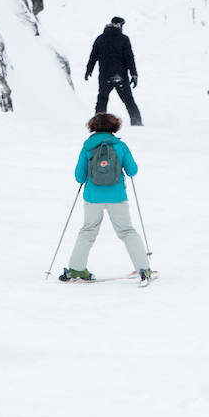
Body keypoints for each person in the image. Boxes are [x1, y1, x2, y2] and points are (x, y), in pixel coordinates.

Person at [59, 113, 152, 284]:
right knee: (126, 231)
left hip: (92, 197)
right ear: (114, 127)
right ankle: (143, 268)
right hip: (117, 196)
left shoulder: (87, 147)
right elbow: (132, 171)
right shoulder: (120, 146)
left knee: (88, 230)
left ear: (93, 127)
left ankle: (76, 268)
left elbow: (79, 177)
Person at [84, 16, 142, 126]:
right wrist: (134, 74)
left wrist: (89, 69)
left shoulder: (100, 39)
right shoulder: (124, 39)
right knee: (128, 100)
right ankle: (136, 121)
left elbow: (93, 56)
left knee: (102, 99)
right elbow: (129, 57)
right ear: (119, 25)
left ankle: (98, 124)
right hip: (120, 75)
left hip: (105, 76)